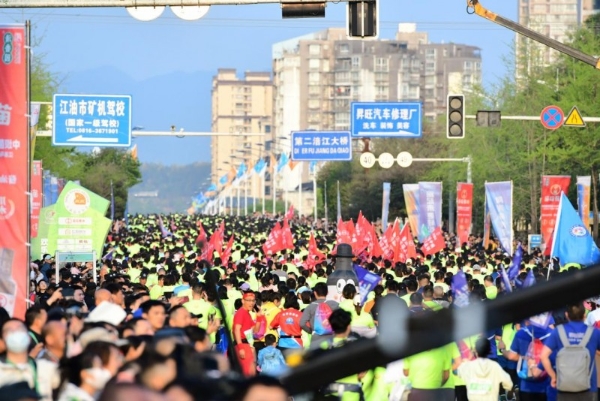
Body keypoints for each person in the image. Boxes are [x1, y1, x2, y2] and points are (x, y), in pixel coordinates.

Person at [541, 302, 600, 401]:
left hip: (565, 387)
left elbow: (543, 356)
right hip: (589, 387)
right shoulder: (594, 333)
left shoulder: (557, 332)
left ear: (566, 315)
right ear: (584, 315)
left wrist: (553, 377)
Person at [233, 291, 263, 377]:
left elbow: (255, 330)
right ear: (243, 301)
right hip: (242, 344)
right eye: (248, 300)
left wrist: (259, 317)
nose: (251, 303)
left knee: (251, 371)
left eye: (253, 301)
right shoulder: (241, 313)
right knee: (248, 372)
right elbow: (236, 330)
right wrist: (240, 347)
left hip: (247, 344)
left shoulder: (247, 314)